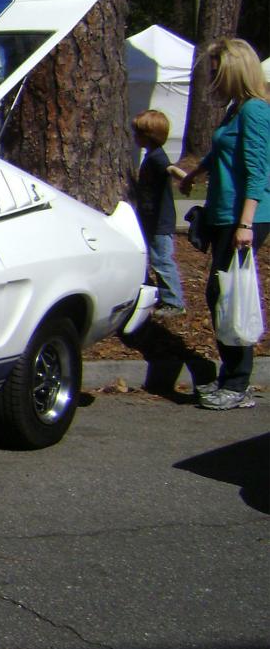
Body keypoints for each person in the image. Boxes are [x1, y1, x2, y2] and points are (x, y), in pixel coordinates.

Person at [178, 38, 270, 410]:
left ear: (234, 69)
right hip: (223, 215)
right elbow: (220, 152)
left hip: (243, 218)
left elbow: (258, 172)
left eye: (217, 69)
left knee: (230, 297)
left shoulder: (255, 112)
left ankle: (237, 384)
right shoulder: (236, 110)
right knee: (220, 295)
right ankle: (232, 376)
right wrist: (193, 174)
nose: (212, 75)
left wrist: (245, 225)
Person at [133, 109, 187, 317]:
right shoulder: (150, 157)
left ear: (149, 136)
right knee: (151, 256)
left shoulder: (158, 158)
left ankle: (174, 301)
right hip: (149, 219)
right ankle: (153, 292)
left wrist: (185, 177)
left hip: (160, 222)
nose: (135, 138)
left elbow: (170, 169)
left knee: (162, 260)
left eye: (138, 134)